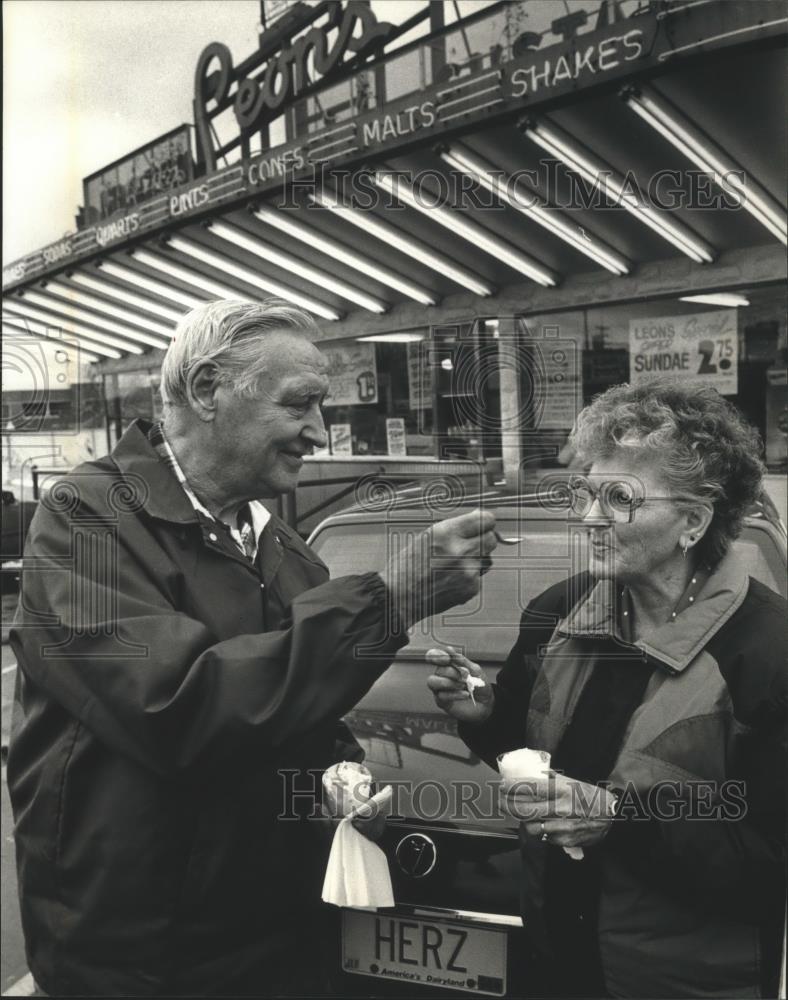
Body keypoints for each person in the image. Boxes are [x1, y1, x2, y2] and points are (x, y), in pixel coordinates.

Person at [8, 299, 498, 997]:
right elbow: (179, 706)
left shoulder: (281, 545)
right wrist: (394, 599)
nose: (320, 433)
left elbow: (299, 709)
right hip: (143, 958)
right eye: (300, 404)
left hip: (275, 935)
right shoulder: (85, 521)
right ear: (207, 390)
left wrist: (342, 779)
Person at [428, 378, 786, 998]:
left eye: (618, 497)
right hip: (555, 966)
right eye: (584, 493)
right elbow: (531, 761)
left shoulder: (769, 653)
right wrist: (486, 716)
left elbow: (769, 861)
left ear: (693, 522)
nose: (589, 518)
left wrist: (621, 820)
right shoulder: (556, 613)